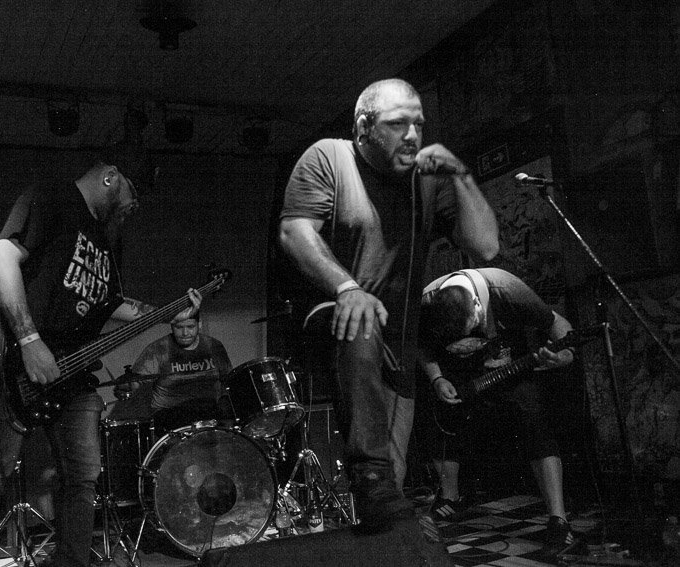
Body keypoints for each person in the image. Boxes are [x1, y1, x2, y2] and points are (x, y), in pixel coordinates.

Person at [0, 143, 200, 567]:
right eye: (133, 194)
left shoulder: (107, 243)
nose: (133, 206)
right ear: (111, 177)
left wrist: (168, 313)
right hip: (14, 362)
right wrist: (30, 341)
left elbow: (111, 304)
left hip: (73, 372)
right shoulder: (52, 197)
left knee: (82, 478)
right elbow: (2, 262)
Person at [278, 77, 499, 533]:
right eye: (398, 124)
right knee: (361, 323)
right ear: (364, 126)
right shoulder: (329, 157)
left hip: (397, 340)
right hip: (336, 319)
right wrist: (347, 288)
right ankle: (369, 473)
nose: (413, 135)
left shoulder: (426, 181)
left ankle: (382, 513)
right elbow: (294, 231)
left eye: (419, 124)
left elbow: (486, 246)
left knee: (388, 494)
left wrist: (460, 174)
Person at [418, 267, 578, 557]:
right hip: (461, 377)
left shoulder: (508, 290)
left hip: (509, 368)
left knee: (534, 418)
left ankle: (559, 519)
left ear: (478, 304)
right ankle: (450, 497)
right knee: (439, 415)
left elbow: (556, 322)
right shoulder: (427, 302)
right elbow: (422, 346)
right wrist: (437, 378)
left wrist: (565, 355)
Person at [122, 302, 234, 435]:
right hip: (170, 417)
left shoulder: (213, 346)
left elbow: (229, 380)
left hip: (208, 415)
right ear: (171, 326)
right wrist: (125, 386)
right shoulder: (158, 349)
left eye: (190, 327)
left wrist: (225, 404)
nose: (185, 333)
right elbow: (134, 383)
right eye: (179, 327)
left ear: (199, 324)